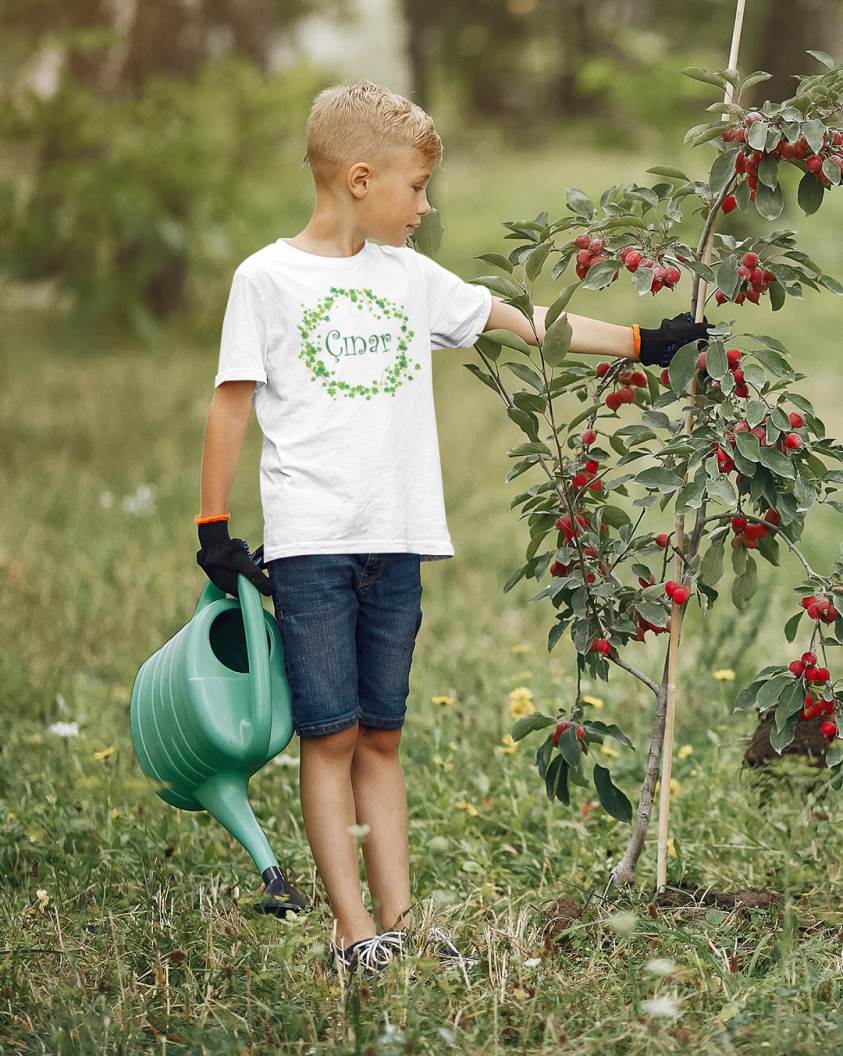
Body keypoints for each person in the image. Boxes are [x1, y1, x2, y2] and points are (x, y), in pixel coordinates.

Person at [194, 79, 708, 978]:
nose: (427, 209)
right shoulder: (267, 279)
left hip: (397, 541)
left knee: (383, 733)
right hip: (312, 544)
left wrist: (640, 343)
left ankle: (397, 918)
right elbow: (230, 402)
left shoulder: (408, 278)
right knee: (331, 736)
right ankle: (352, 932)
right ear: (359, 178)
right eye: (417, 188)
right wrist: (214, 526)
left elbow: (522, 325)